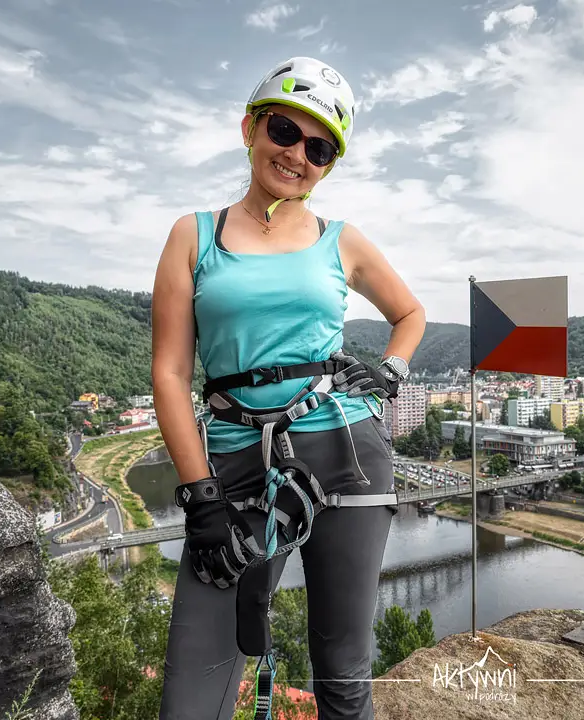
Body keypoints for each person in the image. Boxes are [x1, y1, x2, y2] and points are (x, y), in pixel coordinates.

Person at [150, 56, 425, 719]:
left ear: (328, 163)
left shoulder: (341, 240)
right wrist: (200, 497)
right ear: (250, 129)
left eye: (319, 147)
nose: (298, 154)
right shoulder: (195, 235)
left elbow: (410, 315)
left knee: (343, 676)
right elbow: (169, 373)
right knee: (193, 689)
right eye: (283, 130)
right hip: (236, 464)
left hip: (346, 450)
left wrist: (390, 372)